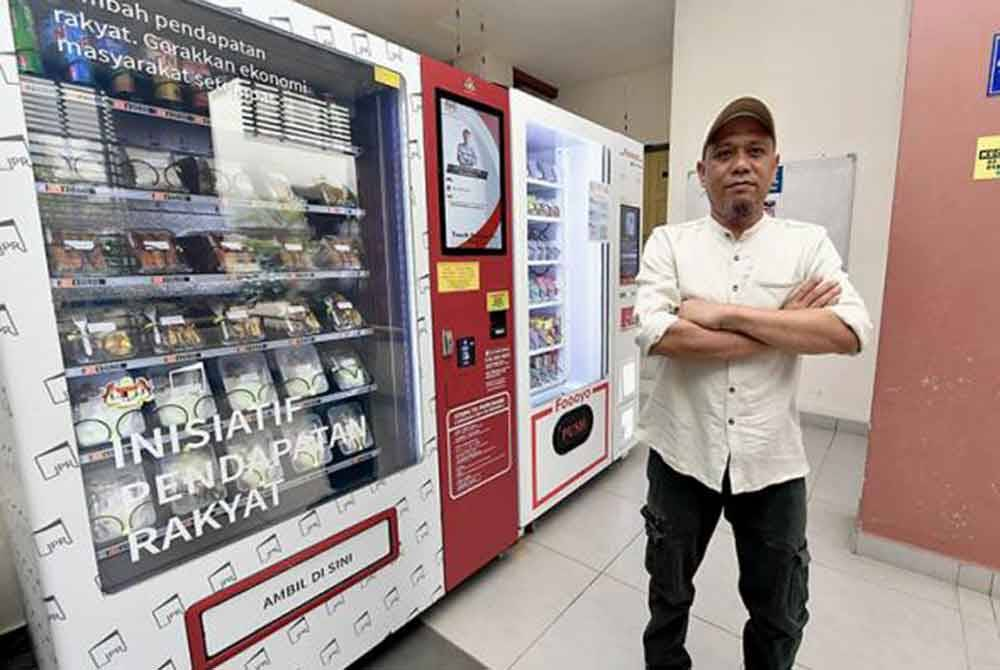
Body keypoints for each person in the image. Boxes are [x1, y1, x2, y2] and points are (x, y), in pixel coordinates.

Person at [634, 97, 873, 670]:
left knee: (780, 610)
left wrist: (722, 314)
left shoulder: (806, 242)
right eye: (724, 153)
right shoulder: (669, 243)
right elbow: (656, 334)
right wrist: (785, 323)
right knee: (668, 594)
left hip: (771, 462)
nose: (740, 163)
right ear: (702, 172)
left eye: (755, 150)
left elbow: (848, 330)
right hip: (681, 453)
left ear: (773, 165)